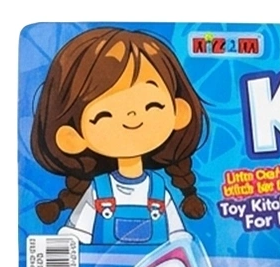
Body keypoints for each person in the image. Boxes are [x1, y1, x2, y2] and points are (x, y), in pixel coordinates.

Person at [31, 27, 208, 245]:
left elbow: (178, 236)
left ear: (179, 112)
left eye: (152, 105)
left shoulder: (158, 190)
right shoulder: (98, 190)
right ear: (72, 137)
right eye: (104, 115)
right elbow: (76, 234)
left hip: (158, 266)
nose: (132, 116)